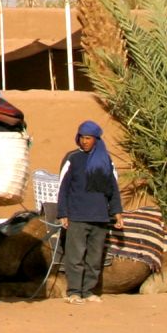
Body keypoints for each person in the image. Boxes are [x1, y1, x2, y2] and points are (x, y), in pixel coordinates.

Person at [57, 119, 123, 304]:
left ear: (96, 139)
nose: (84, 141)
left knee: (94, 259)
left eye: (88, 138)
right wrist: (63, 213)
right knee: (75, 257)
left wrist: (117, 213)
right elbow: (63, 188)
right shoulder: (72, 159)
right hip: (77, 216)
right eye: (82, 137)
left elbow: (113, 188)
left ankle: (88, 291)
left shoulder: (105, 160)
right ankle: (74, 292)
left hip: (100, 217)